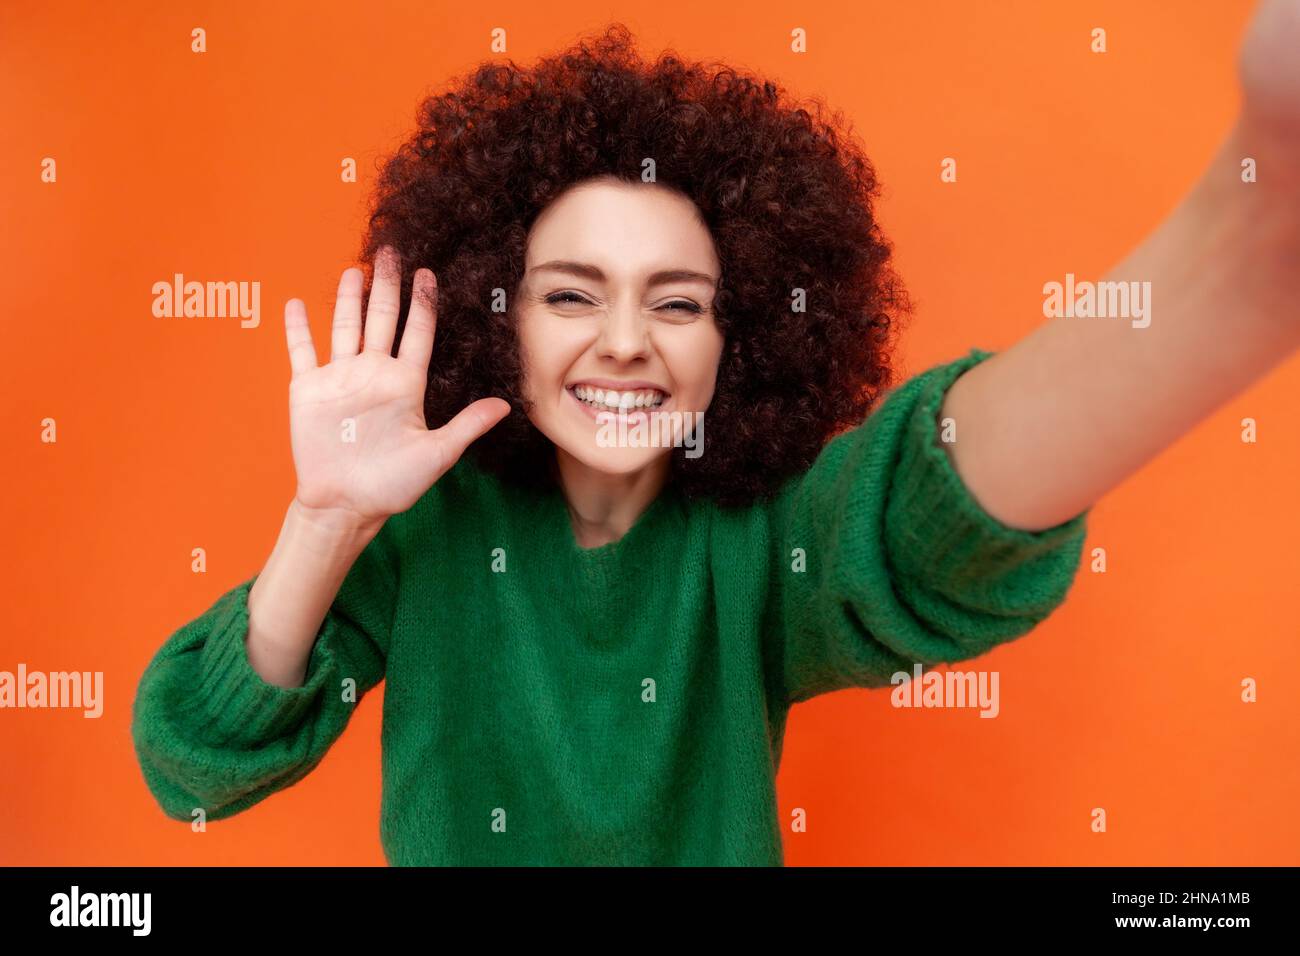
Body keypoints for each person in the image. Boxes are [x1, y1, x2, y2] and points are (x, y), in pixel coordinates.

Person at [131, 10, 1300, 865]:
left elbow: (924, 516)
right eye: (573, 296)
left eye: (679, 301)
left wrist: (1224, 273)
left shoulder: (761, 535)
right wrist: (326, 519)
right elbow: (193, 762)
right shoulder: (420, 538)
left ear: (738, 341)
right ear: (496, 312)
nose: (628, 340)